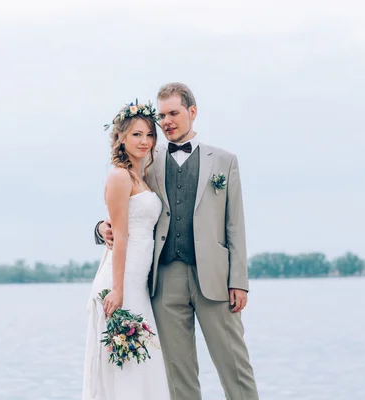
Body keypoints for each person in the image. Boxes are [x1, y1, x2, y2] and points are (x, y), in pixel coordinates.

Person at [94, 83, 259, 400]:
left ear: (192, 112)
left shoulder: (224, 161)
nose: (166, 121)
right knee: (178, 377)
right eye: (162, 115)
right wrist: (101, 227)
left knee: (235, 368)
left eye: (174, 113)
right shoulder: (147, 158)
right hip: (164, 280)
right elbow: (121, 201)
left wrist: (239, 280)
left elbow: (235, 225)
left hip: (215, 280)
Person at [82, 100, 171, 400]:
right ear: (121, 137)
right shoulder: (119, 176)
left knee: (141, 366)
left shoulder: (141, 177)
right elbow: (120, 236)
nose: (144, 141)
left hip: (137, 282)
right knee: (123, 367)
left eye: (149, 134)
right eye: (136, 134)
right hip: (120, 282)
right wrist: (117, 291)